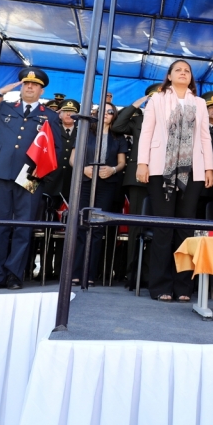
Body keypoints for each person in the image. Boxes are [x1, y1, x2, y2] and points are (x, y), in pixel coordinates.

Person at [0, 68, 62, 291]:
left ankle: (14, 275)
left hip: (30, 175)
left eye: (34, 85)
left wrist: (42, 173)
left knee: (23, 225)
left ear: (41, 90)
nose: (29, 87)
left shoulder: (49, 115)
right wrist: (0, 91)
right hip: (1, 170)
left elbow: (55, 149)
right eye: (26, 83)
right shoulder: (5, 107)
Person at [137, 60, 213, 302]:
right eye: (178, 70)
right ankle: (160, 285)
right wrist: (142, 163)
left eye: (187, 71)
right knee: (163, 228)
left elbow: (205, 137)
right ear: (169, 76)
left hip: (193, 170)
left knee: (185, 228)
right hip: (161, 168)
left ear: (191, 77)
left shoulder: (199, 103)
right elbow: (146, 132)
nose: (183, 73)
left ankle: (183, 287)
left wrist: (209, 167)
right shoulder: (157, 99)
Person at [70, 101, 127, 286]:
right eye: (103, 110)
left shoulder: (118, 137)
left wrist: (112, 170)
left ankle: (90, 273)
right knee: (81, 225)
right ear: (96, 113)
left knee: (97, 229)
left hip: (106, 185)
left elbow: (122, 162)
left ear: (114, 116)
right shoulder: (85, 132)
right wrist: (83, 169)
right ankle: (75, 272)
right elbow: (72, 159)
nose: (106, 114)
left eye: (110, 111)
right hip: (85, 182)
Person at [112, 84, 160, 290]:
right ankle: (133, 275)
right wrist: (137, 103)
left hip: (161, 177)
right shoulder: (138, 119)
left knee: (158, 227)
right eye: (153, 97)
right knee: (136, 228)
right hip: (137, 178)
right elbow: (117, 126)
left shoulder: (170, 118)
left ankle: (150, 274)